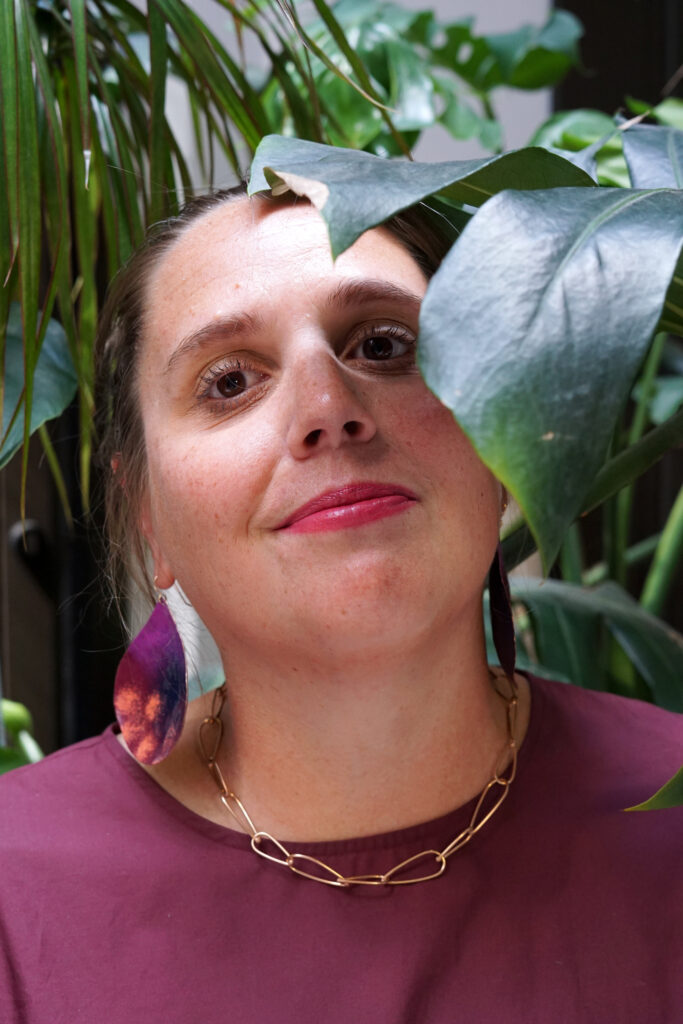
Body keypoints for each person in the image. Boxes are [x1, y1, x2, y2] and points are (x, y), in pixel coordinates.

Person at [0, 179, 681, 1024]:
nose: (328, 409)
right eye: (228, 382)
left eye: (386, 345)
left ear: (496, 430)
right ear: (147, 517)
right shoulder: (15, 892)